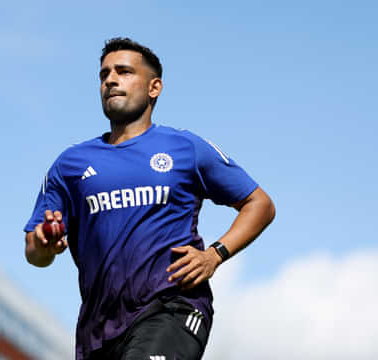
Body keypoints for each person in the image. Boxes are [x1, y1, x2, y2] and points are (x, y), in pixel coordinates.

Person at [24, 37, 275, 360]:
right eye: (104, 75)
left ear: (154, 87)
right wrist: (44, 243)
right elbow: (35, 252)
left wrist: (214, 255)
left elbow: (260, 205)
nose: (111, 80)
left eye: (124, 71)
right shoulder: (70, 163)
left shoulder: (185, 148)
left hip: (173, 308)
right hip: (98, 330)